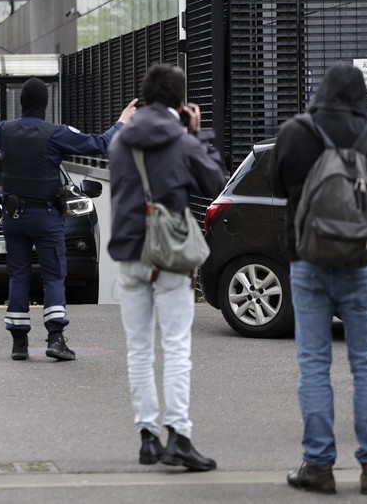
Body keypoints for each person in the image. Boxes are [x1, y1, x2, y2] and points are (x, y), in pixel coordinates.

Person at [267, 63, 367, 495]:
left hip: (307, 262)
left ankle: (319, 466)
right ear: (363, 96)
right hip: (362, 263)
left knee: (314, 366)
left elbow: (275, 184)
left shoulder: (295, 132)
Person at [107, 64, 226, 471]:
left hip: (130, 252)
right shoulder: (181, 139)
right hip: (169, 254)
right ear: (180, 102)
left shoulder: (121, 142)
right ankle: (179, 435)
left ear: (142, 99)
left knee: (138, 349)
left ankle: (146, 438)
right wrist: (197, 134)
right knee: (175, 346)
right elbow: (214, 183)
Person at [0, 77, 137, 362]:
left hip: (13, 217)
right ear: (45, 105)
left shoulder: (4, 131)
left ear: (22, 103)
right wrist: (123, 121)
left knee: (18, 275)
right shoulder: (55, 133)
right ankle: (55, 338)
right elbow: (99, 144)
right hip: (45, 216)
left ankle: (19, 342)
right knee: (53, 276)